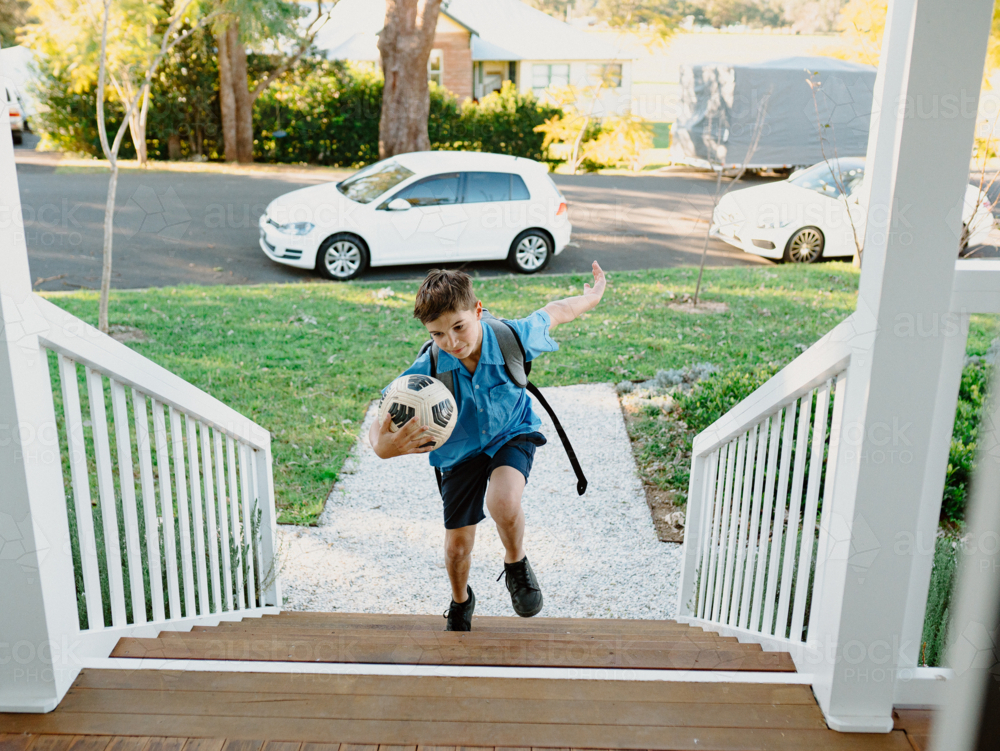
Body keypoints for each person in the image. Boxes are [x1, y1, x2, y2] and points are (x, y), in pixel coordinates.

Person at [368, 261, 607, 631]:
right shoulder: (428, 367)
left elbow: (556, 312)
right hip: (458, 453)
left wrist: (592, 296)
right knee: (457, 549)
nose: (452, 342)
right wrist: (382, 446)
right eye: (438, 334)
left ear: (477, 310)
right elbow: (382, 414)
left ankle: (516, 562)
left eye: (459, 327)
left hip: (512, 431)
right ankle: (461, 600)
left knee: (504, 501)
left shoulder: (510, 337)